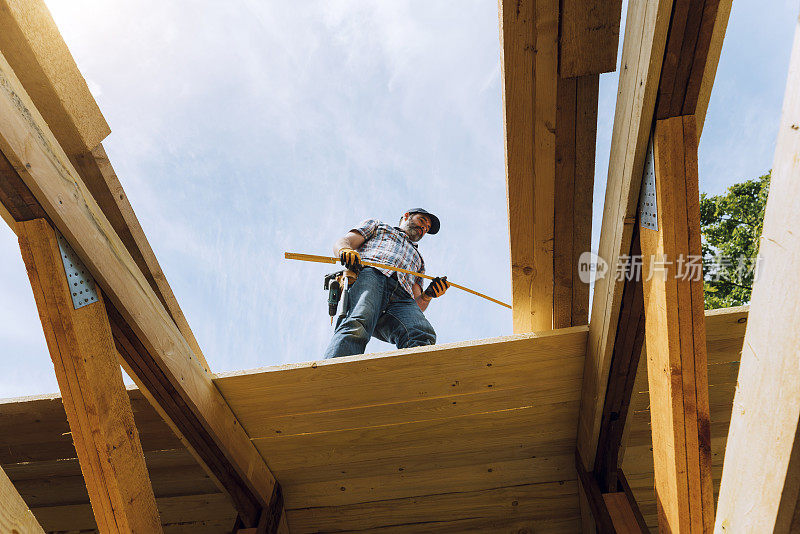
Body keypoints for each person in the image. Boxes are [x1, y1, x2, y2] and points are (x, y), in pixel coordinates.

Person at [323, 208, 450, 359]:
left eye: (426, 228)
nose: (423, 228)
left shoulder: (419, 260)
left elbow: (417, 305)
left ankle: (414, 377)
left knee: (421, 334)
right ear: (406, 216)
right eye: (422, 221)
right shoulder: (379, 227)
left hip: (402, 298)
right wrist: (344, 250)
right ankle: (334, 375)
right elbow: (345, 241)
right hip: (371, 277)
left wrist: (428, 295)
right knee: (357, 324)